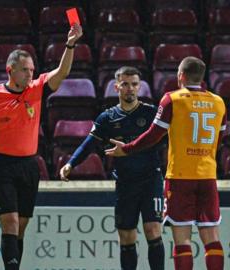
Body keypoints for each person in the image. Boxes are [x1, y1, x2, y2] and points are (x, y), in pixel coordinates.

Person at [0, 23, 83, 270]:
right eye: (24, 70)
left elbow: (62, 72)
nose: (30, 74)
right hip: (1, 165)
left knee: (21, 226)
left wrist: (70, 44)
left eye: (31, 70)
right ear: (10, 70)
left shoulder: (37, 89)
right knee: (10, 222)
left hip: (30, 165)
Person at [106, 56, 226, 270]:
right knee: (211, 237)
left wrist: (127, 149)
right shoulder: (218, 102)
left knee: (182, 240)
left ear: (181, 76)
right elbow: (220, 139)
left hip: (181, 177)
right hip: (208, 175)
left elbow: (154, 135)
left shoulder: (172, 99)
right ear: (202, 77)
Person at [59, 66, 165, 270]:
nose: (130, 89)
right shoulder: (107, 118)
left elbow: (172, 140)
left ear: (139, 87)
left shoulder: (151, 114)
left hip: (151, 180)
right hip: (125, 183)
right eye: (125, 84)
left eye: (134, 84)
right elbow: (88, 144)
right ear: (116, 87)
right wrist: (71, 163)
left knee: (153, 230)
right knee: (126, 236)